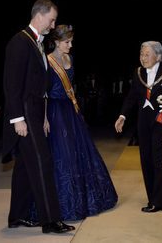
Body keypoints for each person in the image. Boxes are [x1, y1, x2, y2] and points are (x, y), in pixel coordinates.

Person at [3, 0, 75, 234]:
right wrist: (17, 119)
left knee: (25, 166)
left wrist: (43, 116)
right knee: (43, 163)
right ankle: (51, 221)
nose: (53, 25)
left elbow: (39, 85)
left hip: (35, 113)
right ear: (39, 15)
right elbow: (12, 85)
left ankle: (17, 216)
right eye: (52, 19)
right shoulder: (19, 42)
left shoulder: (37, 43)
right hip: (24, 114)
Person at [43, 24, 118, 220]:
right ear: (57, 42)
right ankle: (64, 204)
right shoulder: (47, 61)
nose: (70, 45)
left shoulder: (70, 58)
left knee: (79, 151)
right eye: (67, 42)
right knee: (63, 155)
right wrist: (43, 118)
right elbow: (42, 92)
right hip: (55, 111)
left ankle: (83, 201)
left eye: (71, 41)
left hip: (70, 110)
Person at [115, 41, 162, 212]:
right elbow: (132, 96)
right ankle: (152, 199)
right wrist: (122, 116)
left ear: (158, 55)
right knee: (146, 159)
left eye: (147, 54)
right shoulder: (138, 72)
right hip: (143, 123)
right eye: (141, 54)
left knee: (159, 160)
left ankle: (160, 201)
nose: (143, 58)